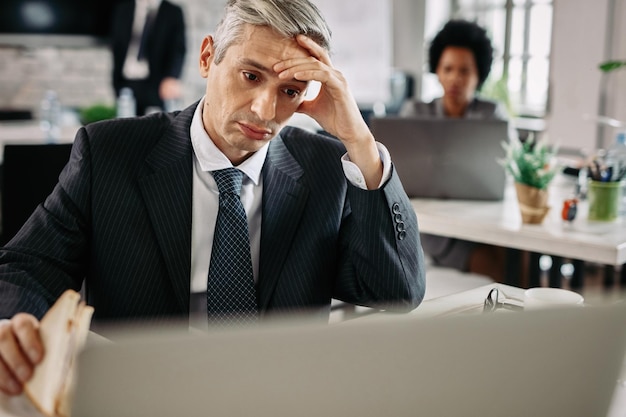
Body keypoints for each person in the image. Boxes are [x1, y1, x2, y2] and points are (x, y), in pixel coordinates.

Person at [0, 0, 425, 396]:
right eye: (251, 76)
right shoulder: (109, 153)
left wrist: (361, 143)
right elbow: (29, 266)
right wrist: (15, 325)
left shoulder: (328, 169)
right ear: (207, 57)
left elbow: (397, 290)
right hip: (140, 394)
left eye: (290, 91)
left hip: (274, 396)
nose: (264, 109)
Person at [400, 19, 507, 281]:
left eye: (465, 71)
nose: (455, 79)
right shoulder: (416, 112)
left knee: (515, 253)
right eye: (447, 69)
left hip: (480, 220)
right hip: (432, 227)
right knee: (491, 264)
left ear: (479, 75)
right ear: (437, 70)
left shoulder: (492, 114)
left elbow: (508, 167)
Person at [110, 0, 186, 115]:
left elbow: (178, 49)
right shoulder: (124, 9)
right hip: (127, 82)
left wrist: (172, 77)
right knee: (127, 126)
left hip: (157, 84)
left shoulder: (173, 12)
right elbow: (117, 46)